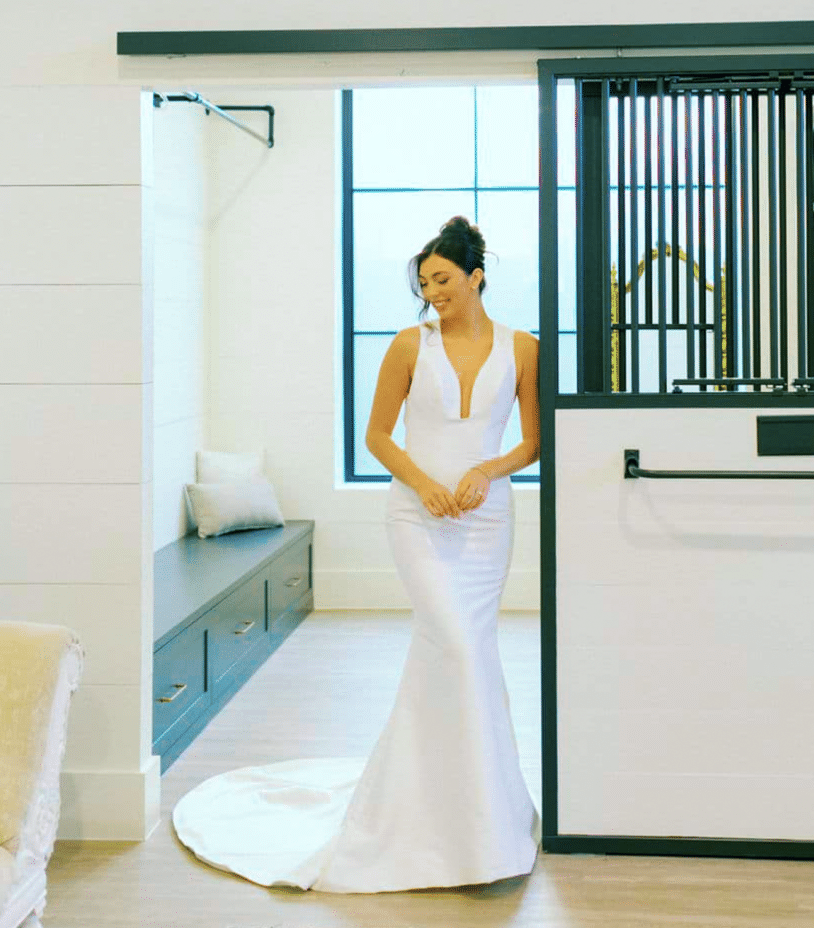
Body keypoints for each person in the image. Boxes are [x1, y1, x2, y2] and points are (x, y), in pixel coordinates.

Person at [171, 217, 540, 892]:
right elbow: (376, 435)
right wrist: (425, 484)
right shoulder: (408, 345)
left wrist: (488, 470)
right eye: (425, 283)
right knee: (454, 645)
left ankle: (481, 817)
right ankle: (428, 821)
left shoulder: (522, 347)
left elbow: (533, 443)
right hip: (416, 518)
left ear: (476, 277)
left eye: (444, 280)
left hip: (487, 524)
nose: (433, 294)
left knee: (469, 653)